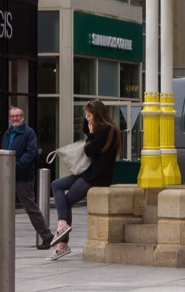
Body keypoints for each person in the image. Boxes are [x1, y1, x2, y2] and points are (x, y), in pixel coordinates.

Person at [46, 99, 120, 261]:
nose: (87, 118)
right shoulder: (103, 128)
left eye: (89, 115)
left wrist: (92, 132)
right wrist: (90, 128)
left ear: (97, 114)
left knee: (67, 200)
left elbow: (90, 150)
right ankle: (62, 227)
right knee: (56, 185)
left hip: (97, 176)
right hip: (88, 172)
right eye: (86, 115)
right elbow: (88, 136)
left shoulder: (108, 130)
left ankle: (62, 241)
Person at [0, 107, 53, 251]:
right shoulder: (7, 134)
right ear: (9, 118)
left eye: (17, 116)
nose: (15, 119)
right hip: (6, 177)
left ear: (23, 117)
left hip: (23, 178)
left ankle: (47, 236)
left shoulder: (29, 133)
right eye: (12, 116)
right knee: (0, 209)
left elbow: (30, 154)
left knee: (31, 208)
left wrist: (14, 168)